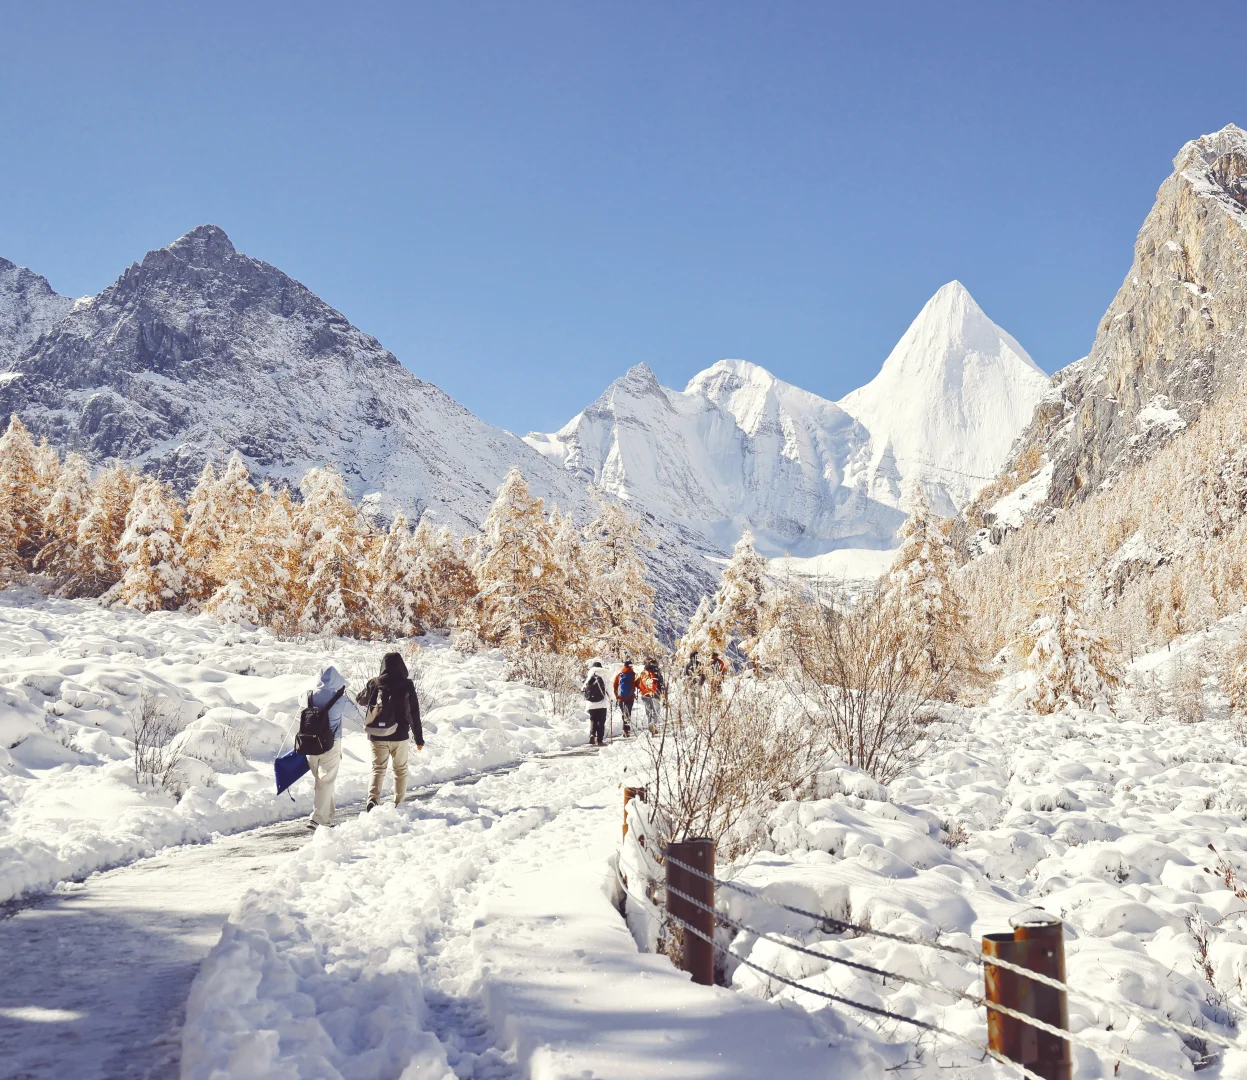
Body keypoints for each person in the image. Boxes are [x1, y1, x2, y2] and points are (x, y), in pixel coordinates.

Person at [356, 651, 424, 810]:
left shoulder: (374, 683)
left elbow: (360, 700)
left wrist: (370, 687)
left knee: (378, 769)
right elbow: (414, 712)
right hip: (399, 736)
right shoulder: (407, 685)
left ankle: (373, 799)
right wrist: (418, 739)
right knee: (400, 770)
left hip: (377, 736)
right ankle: (399, 803)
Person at [305, 666, 358, 829]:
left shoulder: (308, 695)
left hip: (309, 743)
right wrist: (345, 697)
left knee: (321, 781)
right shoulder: (340, 698)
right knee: (325, 781)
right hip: (330, 744)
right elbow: (355, 713)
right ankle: (317, 818)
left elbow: (299, 702)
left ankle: (326, 817)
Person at [583, 660, 608, 745]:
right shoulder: (604, 676)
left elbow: (583, 689)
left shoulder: (589, 677)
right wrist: (612, 699)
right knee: (601, 721)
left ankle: (592, 734)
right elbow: (609, 690)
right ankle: (600, 739)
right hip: (602, 704)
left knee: (593, 720)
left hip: (591, 704)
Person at [637, 658, 666, 733]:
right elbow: (661, 685)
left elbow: (639, 684)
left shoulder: (643, 673)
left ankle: (650, 725)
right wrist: (662, 695)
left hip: (645, 695)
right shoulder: (657, 673)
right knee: (656, 711)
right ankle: (653, 725)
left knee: (648, 712)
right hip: (655, 695)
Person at [613, 659, 636, 737]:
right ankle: (627, 730)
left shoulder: (619, 675)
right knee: (628, 713)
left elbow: (615, 686)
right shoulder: (633, 675)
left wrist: (617, 695)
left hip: (621, 698)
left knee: (623, 713)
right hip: (630, 698)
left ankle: (624, 730)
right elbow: (637, 684)